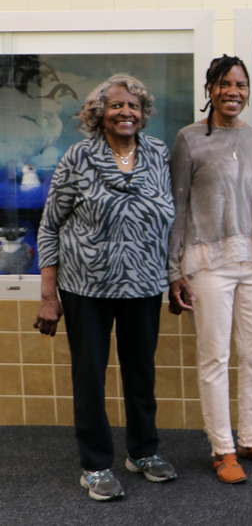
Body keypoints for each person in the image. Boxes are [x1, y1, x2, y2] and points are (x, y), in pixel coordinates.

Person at [33, 75, 177, 501]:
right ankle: (95, 465)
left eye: (133, 105)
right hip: (86, 287)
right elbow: (50, 225)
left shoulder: (157, 152)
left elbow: (168, 219)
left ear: (142, 111)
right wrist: (48, 295)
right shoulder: (78, 157)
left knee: (141, 373)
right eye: (116, 105)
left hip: (144, 285)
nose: (126, 112)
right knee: (90, 377)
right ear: (100, 113)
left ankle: (143, 452)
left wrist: (173, 274)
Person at [167, 55, 252, 484]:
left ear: (248, 91)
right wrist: (173, 271)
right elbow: (177, 208)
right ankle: (223, 449)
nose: (232, 92)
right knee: (214, 357)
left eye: (240, 84)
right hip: (207, 263)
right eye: (223, 84)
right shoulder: (190, 139)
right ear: (210, 90)